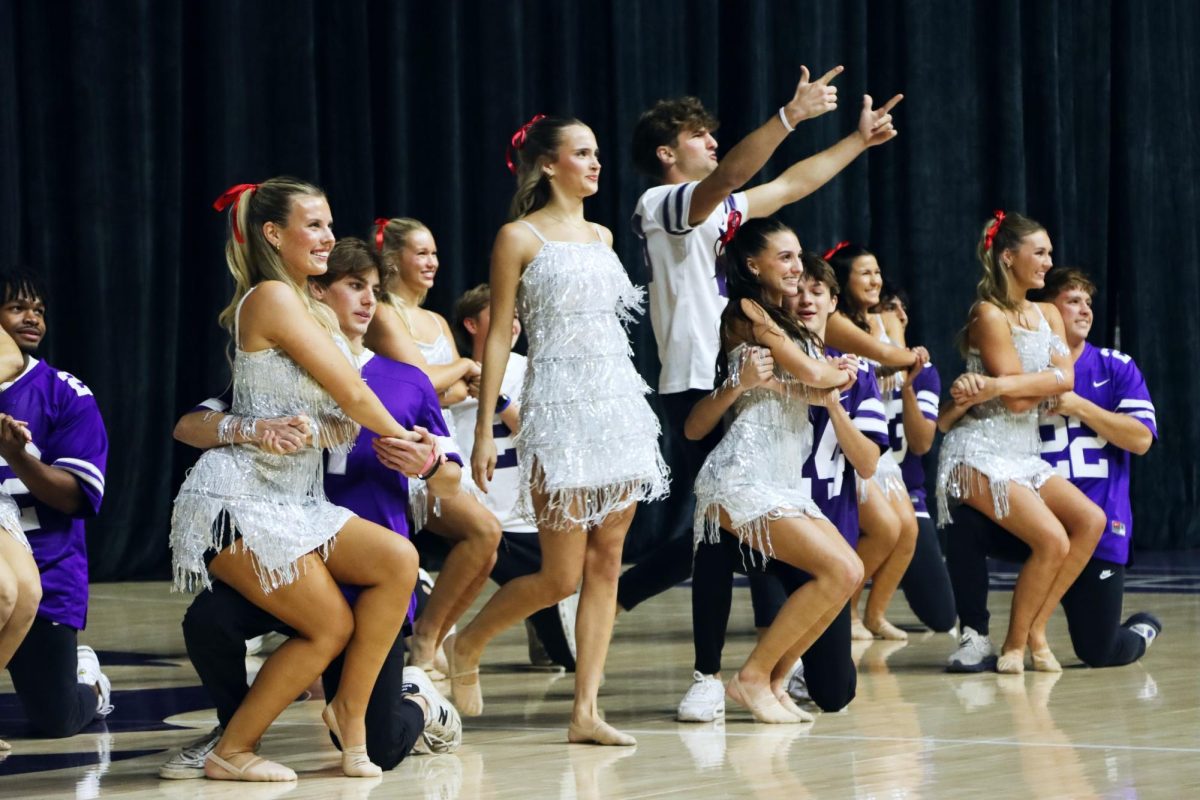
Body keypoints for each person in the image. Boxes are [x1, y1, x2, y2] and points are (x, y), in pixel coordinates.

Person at [624, 72, 903, 718]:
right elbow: (726, 182)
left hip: (750, 377)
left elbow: (789, 184)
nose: (713, 142)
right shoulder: (660, 204)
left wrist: (856, 144)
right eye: (699, 135)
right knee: (714, 538)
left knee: (753, 532)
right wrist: (787, 115)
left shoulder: (734, 234)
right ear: (669, 153)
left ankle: (774, 662)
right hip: (700, 382)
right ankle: (709, 672)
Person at [160, 238, 463, 777]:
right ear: (316, 293)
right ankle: (231, 734)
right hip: (271, 532)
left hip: (347, 557)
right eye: (354, 286)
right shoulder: (281, 361)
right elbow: (188, 425)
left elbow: (451, 484)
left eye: (376, 290)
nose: (369, 301)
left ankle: (410, 703)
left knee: (383, 742)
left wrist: (426, 465)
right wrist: (253, 429)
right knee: (210, 621)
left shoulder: (409, 380)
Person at [456, 114, 669, 746]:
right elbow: (498, 334)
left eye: (597, 152)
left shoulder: (603, 236)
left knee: (608, 562)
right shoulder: (517, 237)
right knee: (561, 575)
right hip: (557, 406)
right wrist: (486, 430)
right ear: (549, 164)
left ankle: (585, 710)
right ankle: (466, 641)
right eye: (583, 153)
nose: (596, 163)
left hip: (616, 404)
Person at [680, 253, 883, 719]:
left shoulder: (830, 361)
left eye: (818, 290)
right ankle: (721, 678)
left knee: (849, 575)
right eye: (798, 285)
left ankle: (772, 679)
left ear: (836, 302)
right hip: (742, 481)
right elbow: (695, 427)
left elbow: (861, 452)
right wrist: (833, 377)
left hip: (790, 495)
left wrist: (837, 388)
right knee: (706, 553)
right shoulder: (758, 332)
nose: (805, 296)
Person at [945, 267, 1160, 671]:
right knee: (961, 524)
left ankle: (1142, 628)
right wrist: (967, 394)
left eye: (1088, 302)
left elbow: (1141, 440)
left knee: (1099, 651)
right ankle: (975, 635)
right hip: (1030, 516)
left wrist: (1079, 405)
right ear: (1047, 314)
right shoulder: (1015, 365)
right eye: (1072, 301)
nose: (1084, 310)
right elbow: (976, 415)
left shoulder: (1116, 366)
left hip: (1093, 531)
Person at [935, 211, 1105, 674]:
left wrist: (1001, 386)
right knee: (1051, 538)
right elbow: (1015, 400)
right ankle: (1013, 649)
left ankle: (1034, 629)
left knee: (1090, 521)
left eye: (1050, 252)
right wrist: (1017, 386)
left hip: (1022, 452)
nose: (1049, 262)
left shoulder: (1046, 311)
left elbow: (1064, 378)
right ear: (1009, 257)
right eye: (1041, 252)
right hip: (978, 450)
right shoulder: (986, 314)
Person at [367, 217, 501, 677]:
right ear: (393, 259)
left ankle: (434, 632)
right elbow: (417, 381)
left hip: (446, 447)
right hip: (404, 455)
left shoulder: (438, 320)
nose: (432, 262)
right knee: (483, 532)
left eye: (434, 253)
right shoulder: (383, 313)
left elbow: (438, 393)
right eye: (420, 253)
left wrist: (447, 388)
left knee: (488, 547)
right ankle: (425, 637)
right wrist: (463, 365)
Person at [0, 269, 112, 744]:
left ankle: (90, 682)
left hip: (47, 563)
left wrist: (16, 456)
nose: (32, 319)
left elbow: (76, 497)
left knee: (56, 717)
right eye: (17, 308)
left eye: (39, 310)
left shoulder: (65, 392)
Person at [450, 283, 577, 670]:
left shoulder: (530, 367)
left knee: (566, 656)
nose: (515, 323)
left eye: (518, 316)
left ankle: (538, 626)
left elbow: (544, 436)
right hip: (476, 510)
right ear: (471, 323)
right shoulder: (453, 374)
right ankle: (433, 636)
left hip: (524, 516)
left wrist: (500, 403)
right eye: (504, 315)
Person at [825, 244, 928, 641]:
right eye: (865, 273)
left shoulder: (884, 319)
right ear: (843, 280)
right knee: (885, 529)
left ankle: (874, 613)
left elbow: (893, 364)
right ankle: (843, 610)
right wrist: (905, 356)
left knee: (908, 531)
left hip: (877, 441)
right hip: (845, 440)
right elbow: (886, 355)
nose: (875, 280)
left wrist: (904, 354)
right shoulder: (835, 321)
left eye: (878, 272)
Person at [875, 284, 957, 634]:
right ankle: (855, 614)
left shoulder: (924, 370)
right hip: (852, 486)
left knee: (942, 616)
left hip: (905, 489)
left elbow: (922, 443)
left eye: (902, 308)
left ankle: (872, 611)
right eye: (890, 307)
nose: (901, 315)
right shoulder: (849, 360)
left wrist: (906, 385)